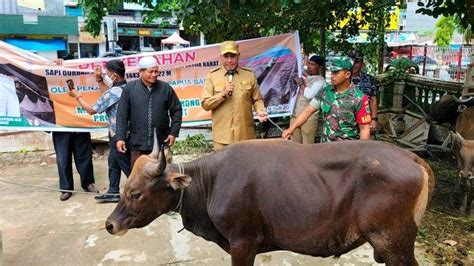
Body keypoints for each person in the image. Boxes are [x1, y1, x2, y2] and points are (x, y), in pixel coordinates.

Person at [67, 60, 131, 203]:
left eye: (107, 74)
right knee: (113, 162)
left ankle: (143, 192)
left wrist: (77, 95)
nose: (106, 76)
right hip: (123, 133)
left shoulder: (114, 92)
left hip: (118, 135)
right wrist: (99, 79)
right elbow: (107, 93)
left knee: (128, 168)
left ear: (114, 76)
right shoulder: (125, 87)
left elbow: (91, 110)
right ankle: (113, 191)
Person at [282, 58, 372, 142]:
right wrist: (291, 128)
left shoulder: (359, 98)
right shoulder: (325, 91)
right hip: (326, 147)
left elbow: (364, 129)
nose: (332, 76)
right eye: (332, 72)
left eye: (336, 73)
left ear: (347, 74)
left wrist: (362, 153)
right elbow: (308, 111)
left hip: (347, 149)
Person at [115, 56, 182, 167]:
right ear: (140, 72)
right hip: (137, 145)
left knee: (162, 178)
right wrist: (120, 138)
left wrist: (173, 132)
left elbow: (177, 111)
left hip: (161, 143)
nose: (154, 74)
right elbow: (122, 115)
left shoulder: (166, 88)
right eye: (151, 71)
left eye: (156, 71)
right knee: (138, 180)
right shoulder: (130, 89)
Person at [201, 40, 269, 150]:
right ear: (221, 57)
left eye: (232, 56)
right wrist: (222, 94)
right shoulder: (212, 76)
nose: (229, 60)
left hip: (245, 136)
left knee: (246, 166)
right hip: (222, 138)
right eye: (226, 56)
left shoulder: (249, 75)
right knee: (223, 167)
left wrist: (260, 110)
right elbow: (206, 104)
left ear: (238, 56)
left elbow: (257, 99)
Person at [52, 58, 98, 201]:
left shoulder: (80, 80)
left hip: (80, 123)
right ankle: (66, 188)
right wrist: (54, 65)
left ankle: (88, 183)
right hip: (61, 125)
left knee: (84, 156)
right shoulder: (53, 79)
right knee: (63, 158)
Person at [291, 55, 327, 144]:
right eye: (309, 64)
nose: (309, 67)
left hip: (309, 119)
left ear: (320, 67)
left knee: (307, 145)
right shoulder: (305, 76)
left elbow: (309, 95)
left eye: (313, 64)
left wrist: (301, 84)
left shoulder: (320, 82)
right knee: (294, 143)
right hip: (296, 115)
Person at [349, 52, 378, 133]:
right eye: (352, 62)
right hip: (345, 121)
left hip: (364, 120)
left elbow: (373, 100)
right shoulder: (342, 78)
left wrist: (374, 120)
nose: (354, 65)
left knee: (363, 144)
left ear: (361, 63)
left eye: (357, 62)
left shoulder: (369, 79)